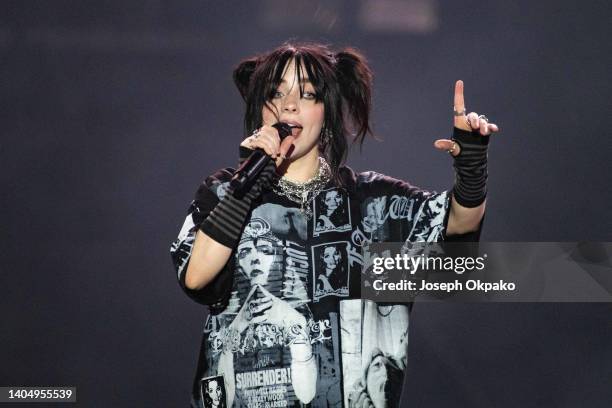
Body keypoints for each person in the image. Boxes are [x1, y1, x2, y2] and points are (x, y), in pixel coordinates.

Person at [170, 41, 499, 407]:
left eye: (308, 94)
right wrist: (248, 183)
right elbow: (196, 277)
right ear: (261, 109)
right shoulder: (223, 192)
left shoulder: (373, 203)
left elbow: (457, 232)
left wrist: (471, 166)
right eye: (276, 93)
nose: (290, 104)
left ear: (326, 113)